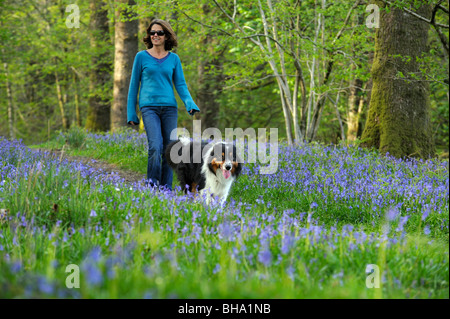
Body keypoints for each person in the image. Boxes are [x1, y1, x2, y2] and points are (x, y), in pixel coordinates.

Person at [127, 19, 199, 190]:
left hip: (169, 108)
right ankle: (152, 187)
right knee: (155, 146)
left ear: (166, 36)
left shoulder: (174, 59)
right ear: (149, 35)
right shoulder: (141, 57)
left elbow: (180, 85)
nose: (155, 36)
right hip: (149, 107)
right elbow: (133, 86)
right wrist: (131, 113)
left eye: (159, 33)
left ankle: (166, 190)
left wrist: (190, 103)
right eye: (152, 33)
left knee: (169, 150)